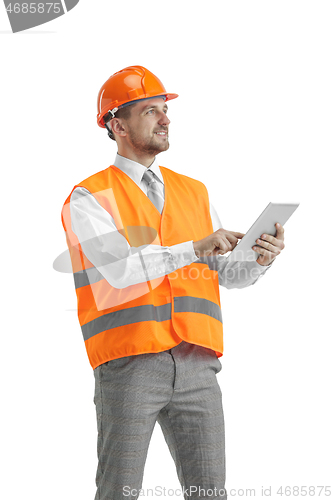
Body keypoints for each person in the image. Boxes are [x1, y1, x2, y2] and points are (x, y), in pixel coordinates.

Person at [61, 66, 285, 500]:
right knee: (119, 491)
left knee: (209, 493)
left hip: (199, 363)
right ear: (117, 124)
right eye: (151, 111)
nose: (165, 120)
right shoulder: (89, 197)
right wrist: (194, 248)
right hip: (130, 362)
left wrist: (257, 261)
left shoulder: (194, 191)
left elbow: (228, 275)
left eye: (165, 111)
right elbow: (121, 271)